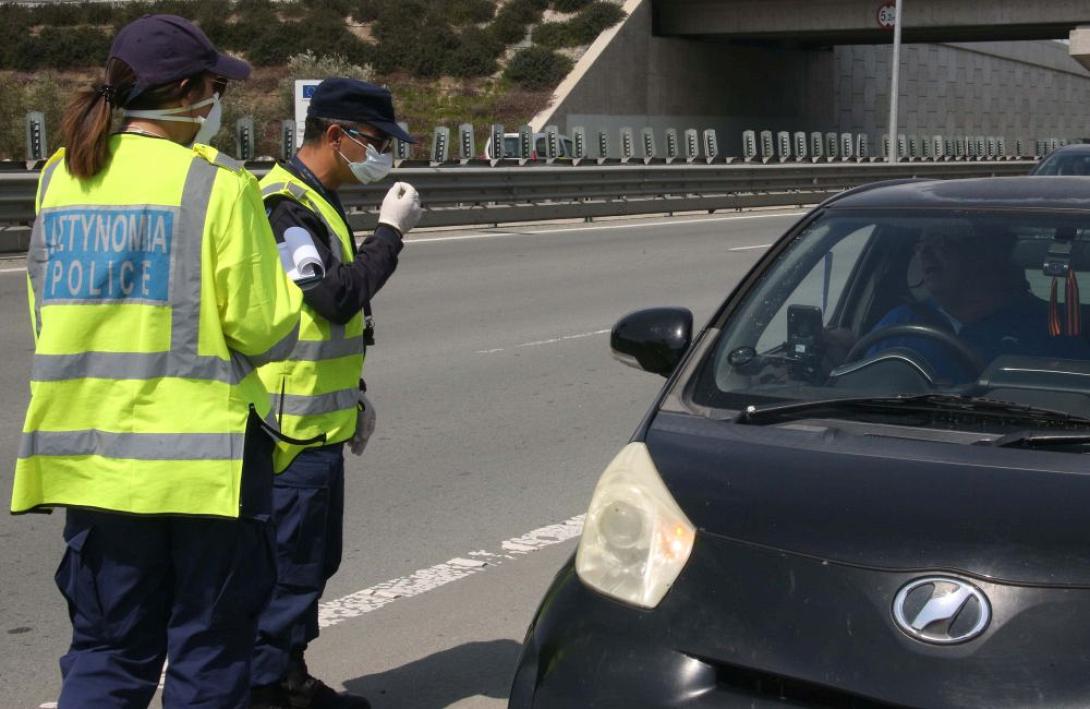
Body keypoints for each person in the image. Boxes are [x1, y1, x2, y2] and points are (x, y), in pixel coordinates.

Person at [10, 15, 302, 709]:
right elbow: (264, 330)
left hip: (92, 462)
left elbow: (44, 314)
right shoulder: (216, 185)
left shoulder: (60, 179)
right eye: (212, 86)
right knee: (208, 655)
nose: (216, 101)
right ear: (184, 94)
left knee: (107, 653)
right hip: (203, 470)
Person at [250, 78, 421, 709]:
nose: (382, 156)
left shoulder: (317, 198)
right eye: (375, 142)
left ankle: (288, 678)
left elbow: (325, 323)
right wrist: (390, 235)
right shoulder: (284, 205)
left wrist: (354, 391)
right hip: (288, 433)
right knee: (287, 572)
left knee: (313, 565)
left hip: (320, 421)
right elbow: (333, 296)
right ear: (334, 135)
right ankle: (265, 691)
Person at [864, 221, 1090, 381]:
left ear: (981, 255)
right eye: (920, 246)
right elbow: (858, 386)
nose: (925, 254)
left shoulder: (1050, 329)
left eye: (940, 242)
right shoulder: (899, 324)